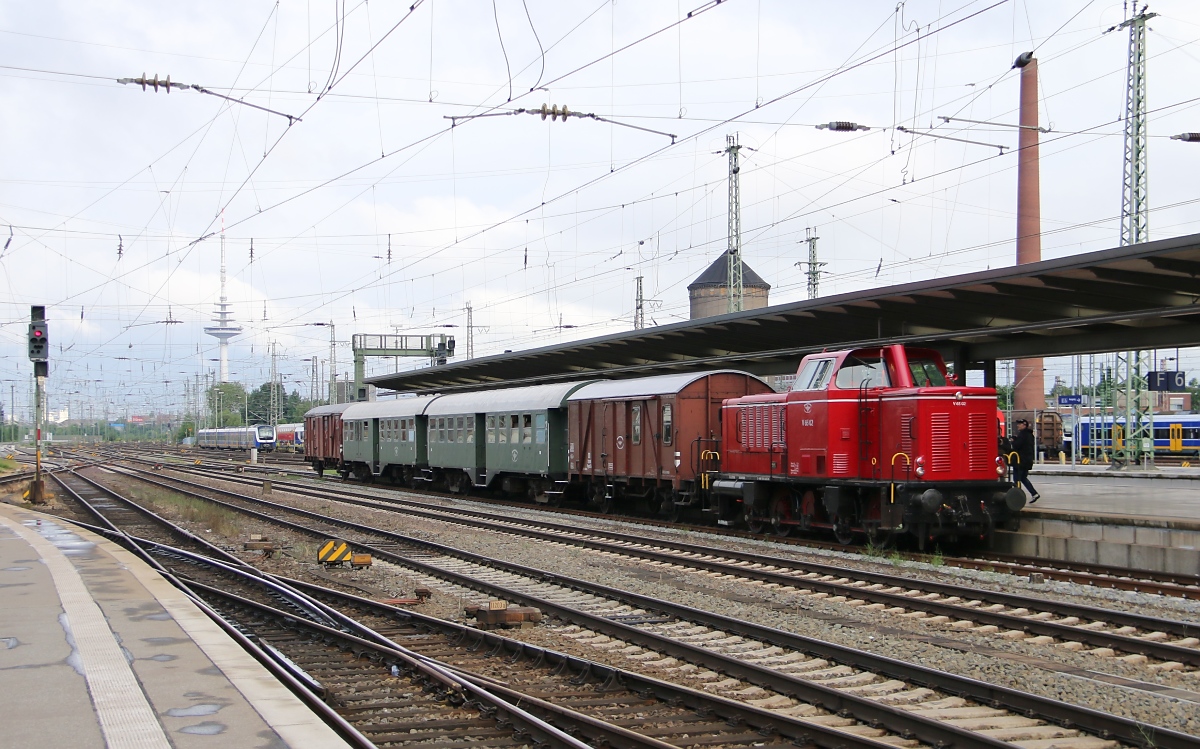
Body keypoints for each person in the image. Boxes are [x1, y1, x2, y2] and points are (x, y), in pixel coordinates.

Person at [1010, 419, 1040, 503]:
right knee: (1023, 478)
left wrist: (1013, 440)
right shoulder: (1029, 435)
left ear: (1024, 425)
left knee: (1017, 479)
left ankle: (1017, 497)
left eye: (1019, 424)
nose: (1017, 425)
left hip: (1021, 461)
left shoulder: (1023, 435)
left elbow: (1017, 445)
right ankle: (1034, 493)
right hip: (1027, 461)